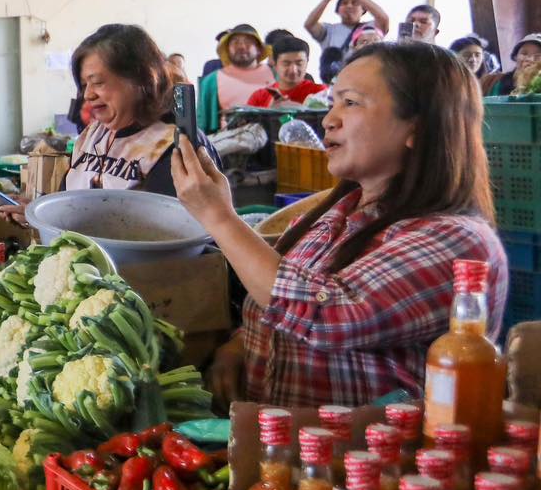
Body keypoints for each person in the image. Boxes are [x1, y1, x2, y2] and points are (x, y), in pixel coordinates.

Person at [174, 41, 506, 410]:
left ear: (419, 127)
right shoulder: (333, 217)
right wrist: (239, 345)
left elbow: (330, 313)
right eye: (333, 102)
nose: (329, 119)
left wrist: (219, 217)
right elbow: (276, 296)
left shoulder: (457, 242)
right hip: (281, 453)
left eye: (351, 102)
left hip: (366, 460)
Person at [1, 25, 216, 225]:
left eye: (98, 83)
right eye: (84, 85)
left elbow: (164, 233)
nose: (88, 95)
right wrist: (38, 213)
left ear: (142, 79)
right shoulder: (92, 136)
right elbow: (70, 205)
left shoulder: (175, 144)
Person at [306, 0, 390, 83]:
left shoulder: (370, 29)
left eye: (355, 3)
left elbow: (384, 19)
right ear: (337, 10)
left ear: (363, 10)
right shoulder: (329, 30)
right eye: (344, 3)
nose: (349, 6)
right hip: (336, 83)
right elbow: (309, 24)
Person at [197, 24, 274, 134]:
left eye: (248, 42)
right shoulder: (211, 81)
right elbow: (201, 123)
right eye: (235, 42)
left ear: (259, 49)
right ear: (228, 49)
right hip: (228, 143)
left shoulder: (275, 75)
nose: (242, 46)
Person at [248, 33, 327, 107]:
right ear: (275, 64)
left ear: (307, 62)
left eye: (299, 63)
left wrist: (297, 109)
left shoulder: (321, 93)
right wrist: (270, 113)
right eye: (286, 63)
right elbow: (245, 121)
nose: (293, 70)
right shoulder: (260, 97)